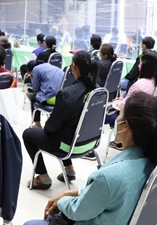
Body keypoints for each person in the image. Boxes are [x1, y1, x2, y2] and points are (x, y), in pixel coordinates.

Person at [20, 92, 157, 225]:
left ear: (125, 126)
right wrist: (72, 192)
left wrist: (61, 203)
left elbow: (78, 211)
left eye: (119, 114)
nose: (116, 118)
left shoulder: (111, 176)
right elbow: (111, 196)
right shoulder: (156, 162)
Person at [22, 51, 99, 189]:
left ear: (73, 66)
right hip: (90, 143)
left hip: (69, 146)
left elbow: (51, 128)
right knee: (68, 127)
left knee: (28, 134)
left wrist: (43, 126)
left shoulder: (66, 94)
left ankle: (43, 177)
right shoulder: (98, 90)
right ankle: (69, 170)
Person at [107, 50, 157, 150]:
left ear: (146, 65)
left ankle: (120, 139)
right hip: (148, 115)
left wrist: (117, 102)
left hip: (133, 116)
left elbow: (125, 106)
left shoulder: (139, 85)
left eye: (140, 63)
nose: (139, 65)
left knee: (104, 115)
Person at [26, 59, 64, 128]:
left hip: (51, 99)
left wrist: (32, 78)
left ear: (31, 71)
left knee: (33, 96)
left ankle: (37, 124)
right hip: (61, 98)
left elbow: (35, 89)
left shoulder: (36, 69)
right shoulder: (53, 67)